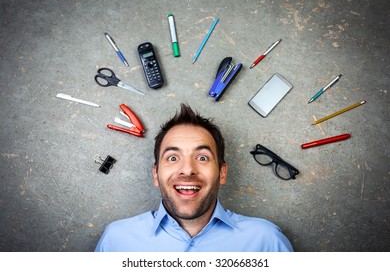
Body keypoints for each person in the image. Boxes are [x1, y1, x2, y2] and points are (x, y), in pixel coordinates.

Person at [95, 104, 293, 252]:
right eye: (173, 158)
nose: (188, 170)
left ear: (222, 173)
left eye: (202, 157)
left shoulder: (266, 241)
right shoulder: (117, 241)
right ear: (156, 174)